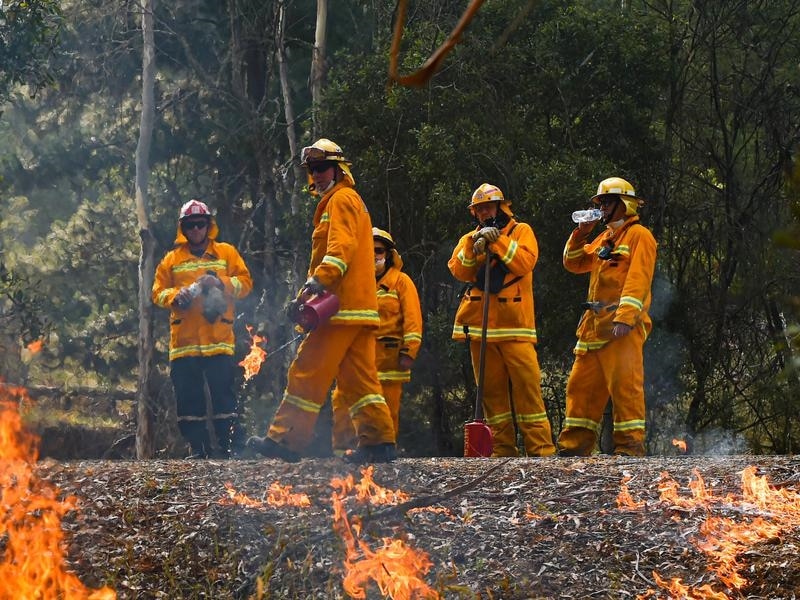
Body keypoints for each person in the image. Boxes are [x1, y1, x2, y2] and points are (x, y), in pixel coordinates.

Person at [247, 138, 397, 463]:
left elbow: (338, 252)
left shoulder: (340, 200)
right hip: (361, 310)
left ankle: (285, 441)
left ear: (339, 169)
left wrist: (318, 281)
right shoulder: (351, 200)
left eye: (322, 168)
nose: (316, 175)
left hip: (340, 311)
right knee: (360, 381)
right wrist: (303, 297)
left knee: (306, 370)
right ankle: (379, 442)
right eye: (312, 170)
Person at [448, 183, 556, 457]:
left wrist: (498, 241)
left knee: (528, 389)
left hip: (515, 326)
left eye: (488, 207)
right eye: (479, 209)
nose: (484, 213)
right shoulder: (468, 238)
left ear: (501, 207)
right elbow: (460, 269)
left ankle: (541, 450)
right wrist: (475, 244)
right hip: (480, 328)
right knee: (492, 395)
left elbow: (523, 263)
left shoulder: (521, 231)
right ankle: (502, 450)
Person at [557, 177, 657, 457]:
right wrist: (580, 233)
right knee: (580, 388)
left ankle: (629, 448)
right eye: (599, 202)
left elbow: (638, 279)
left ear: (623, 204)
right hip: (593, 329)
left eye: (605, 202)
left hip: (620, 327)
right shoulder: (604, 238)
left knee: (626, 387)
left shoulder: (640, 236)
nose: (600, 207)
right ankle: (573, 448)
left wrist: (625, 318)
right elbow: (573, 263)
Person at [152, 199, 253, 458]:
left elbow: (245, 284)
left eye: (200, 224)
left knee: (224, 398)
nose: (196, 229)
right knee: (188, 401)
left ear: (209, 226)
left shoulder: (226, 253)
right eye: (190, 225)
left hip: (218, 339)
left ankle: (231, 448)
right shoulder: (171, 259)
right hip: (184, 344)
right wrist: (175, 296)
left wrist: (219, 282)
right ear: (182, 228)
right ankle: (199, 450)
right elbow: (157, 292)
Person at [331, 228, 423, 454]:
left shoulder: (401, 282)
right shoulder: (353, 283)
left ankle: (381, 458)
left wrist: (409, 352)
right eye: (367, 250)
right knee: (343, 406)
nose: (373, 255)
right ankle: (343, 457)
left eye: (379, 250)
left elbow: (413, 321)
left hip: (389, 362)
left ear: (389, 254)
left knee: (386, 412)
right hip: (355, 362)